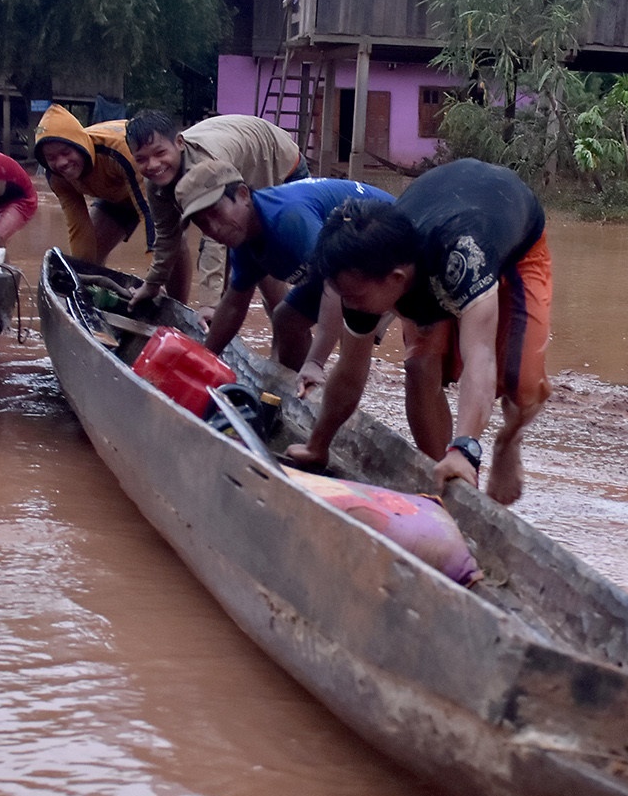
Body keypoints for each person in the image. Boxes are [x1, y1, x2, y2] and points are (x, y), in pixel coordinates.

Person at [290, 158, 554, 505]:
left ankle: (507, 442)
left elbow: (480, 356)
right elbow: (350, 370)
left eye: (354, 296)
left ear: (396, 280)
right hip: (437, 214)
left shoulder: (462, 259)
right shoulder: (364, 279)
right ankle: (443, 479)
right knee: (419, 368)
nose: (348, 304)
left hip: (515, 239)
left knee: (521, 383)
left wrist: (466, 447)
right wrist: (317, 445)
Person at [173, 159, 391, 379]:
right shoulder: (243, 238)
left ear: (242, 195)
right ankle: (299, 388)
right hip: (340, 265)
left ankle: (333, 386)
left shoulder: (287, 219)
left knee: (351, 334)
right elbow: (234, 305)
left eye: (215, 213)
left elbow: (335, 282)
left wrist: (316, 362)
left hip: (386, 246)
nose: (213, 228)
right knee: (286, 320)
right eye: (202, 223)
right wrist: (203, 359)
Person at [125, 110, 305, 306]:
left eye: (160, 153)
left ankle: (284, 325)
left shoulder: (206, 165)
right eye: (141, 159)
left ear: (179, 143)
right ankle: (220, 324)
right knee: (237, 263)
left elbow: (215, 236)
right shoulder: (155, 181)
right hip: (238, 155)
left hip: (281, 163)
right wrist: (152, 284)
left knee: (260, 254)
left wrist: (208, 303)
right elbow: (167, 235)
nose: (153, 164)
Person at [32, 103, 151, 266]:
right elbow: (78, 227)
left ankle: (175, 292)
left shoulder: (120, 152)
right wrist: (82, 276)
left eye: (66, 152)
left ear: (80, 146)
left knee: (173, 243)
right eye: (51, 158)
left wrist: (155, 276)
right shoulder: (57, 178)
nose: (61, 163)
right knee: (89, 258)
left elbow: (152, 214)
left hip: (156, 187)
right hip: (116, 197)